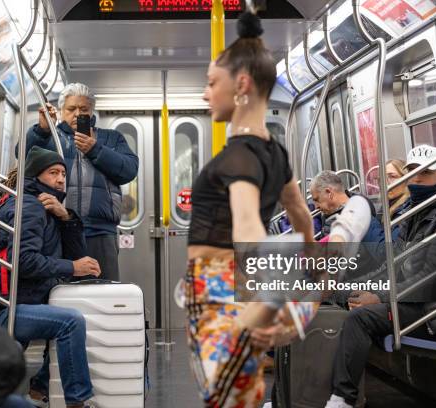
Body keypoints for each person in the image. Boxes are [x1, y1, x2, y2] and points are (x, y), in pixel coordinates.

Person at [185, 11, 316, 407]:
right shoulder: (275, 153)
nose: (206, 94)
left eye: (212, 84)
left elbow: (247, 229)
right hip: (236, 283)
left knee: (224, 391)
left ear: (241, 85)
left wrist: (267, 298)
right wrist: (309, 258)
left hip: (217, 284)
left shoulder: (238, 156)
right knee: (243, 388)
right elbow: (300, 215)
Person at [325, 144, 436, 408]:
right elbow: (391, 265)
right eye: (412, 173)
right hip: (410, 298)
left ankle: (343, 399)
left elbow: (431, 279)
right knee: (339, 295)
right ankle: (309, 386)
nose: (416, 179)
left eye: (424, 173)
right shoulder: (416, 213)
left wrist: (379, 297)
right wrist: (353, 286)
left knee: (361, 317)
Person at [0, 146, 101, 408]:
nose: (60, 179)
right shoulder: (30, 207)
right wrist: (72, 268)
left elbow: (76, 253)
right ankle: (77, 402)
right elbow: (23, 262)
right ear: (36, 176)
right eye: (53, 173)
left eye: (63, 173)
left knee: (71, 310)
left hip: (13, 299)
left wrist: (66, 216)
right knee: (71, 321)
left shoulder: (45, 205)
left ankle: (40, 387)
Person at [24, 83, 138, 281]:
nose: (77, 114)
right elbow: (24, 158)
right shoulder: (50, 138)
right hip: (57, 228)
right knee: (60, 292)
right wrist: (41, 131)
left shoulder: (111, 138)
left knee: (103, 291)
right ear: (61, 111)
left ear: (92, 111)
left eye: (83, 109)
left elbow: (129, 170)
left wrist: (96, 150)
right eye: (71, 109)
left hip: (100, 232)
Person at [382, 159, 411, 239]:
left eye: (392, 176)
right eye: (382, 178)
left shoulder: (408, 207)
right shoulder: (386, 205)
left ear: (406, 179)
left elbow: (388, 247)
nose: (386, 182)